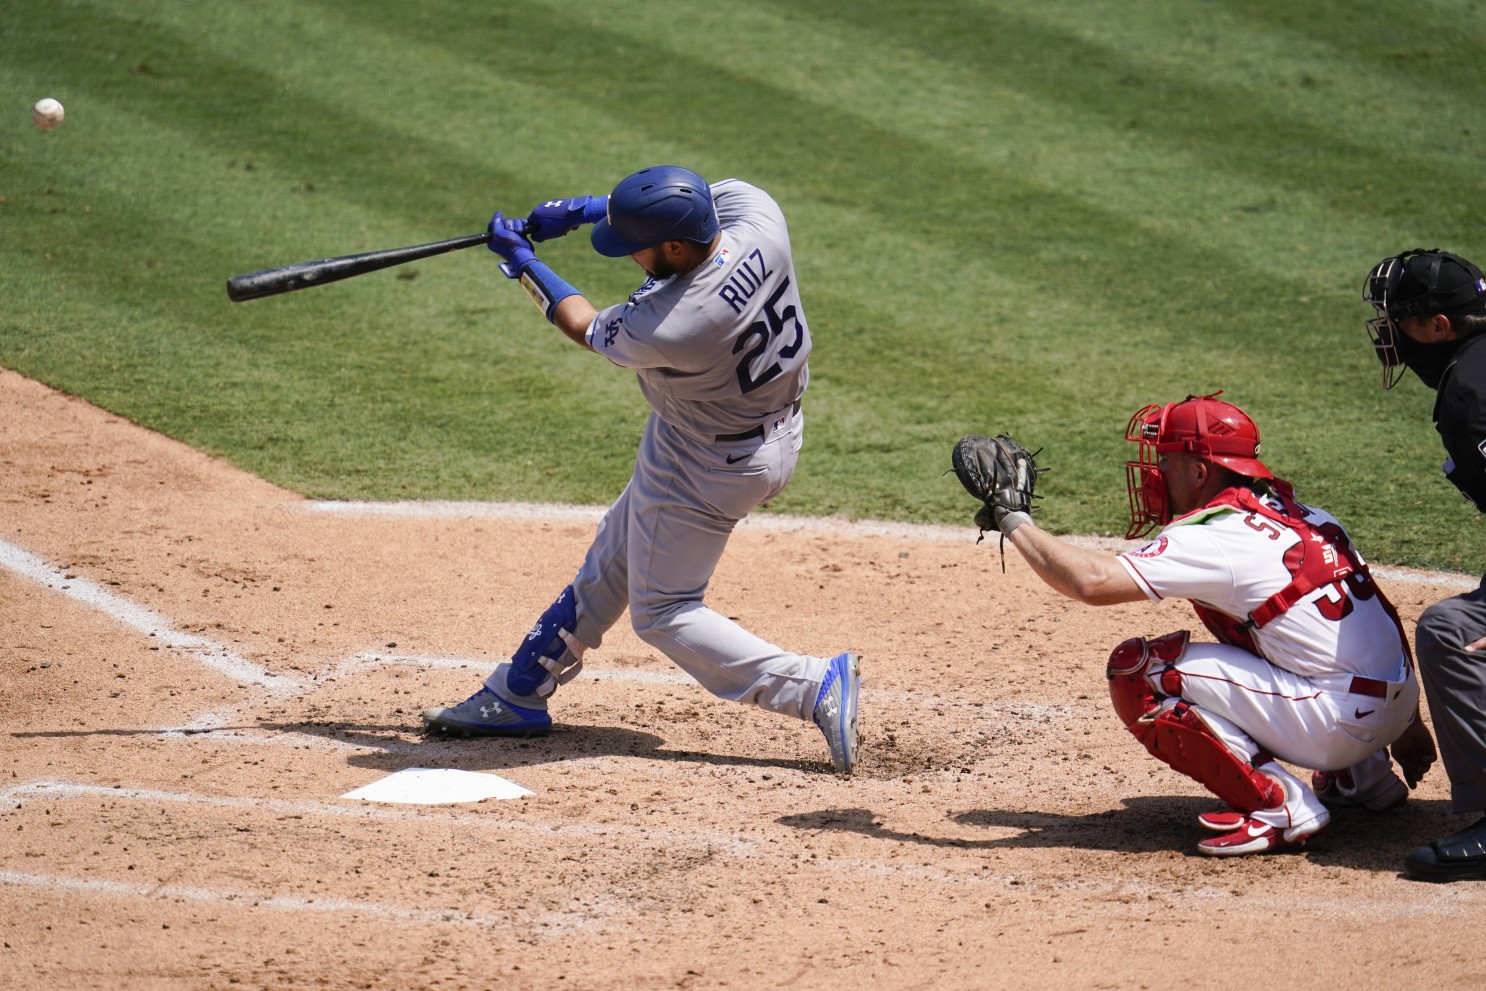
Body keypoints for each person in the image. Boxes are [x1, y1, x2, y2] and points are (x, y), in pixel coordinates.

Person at [421, 166, 860, 774]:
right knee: (620, 548)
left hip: (707, 460)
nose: (630, 254)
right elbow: (694, 195)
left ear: (676, 246)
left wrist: (523, 262)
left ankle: (811, 686)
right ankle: (519, 690)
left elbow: (581, 324)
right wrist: (581, 210)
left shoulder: (675, 322)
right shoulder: (761, 220)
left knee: (664, 610)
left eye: (638, 245)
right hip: (754, 428)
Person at [964, 393, 1431, 856]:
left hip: (1334, 726)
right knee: (1277, 630)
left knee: (1142, 671)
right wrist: (1408, 724)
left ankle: (1281, 806)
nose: (1154, 473)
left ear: (1199, 471)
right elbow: (1381, 617)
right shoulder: (1306, 516)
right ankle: (1363, 778)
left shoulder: (1214, 538)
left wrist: (1014, 519)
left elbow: (1092, 583)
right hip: (1390, 706)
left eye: (1165, 461)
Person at [1362, 248, 1486, 880]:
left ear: (1438, 326)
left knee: (1454, 633)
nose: (1390, 337)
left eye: (1400, 321)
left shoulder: (1471, 391)